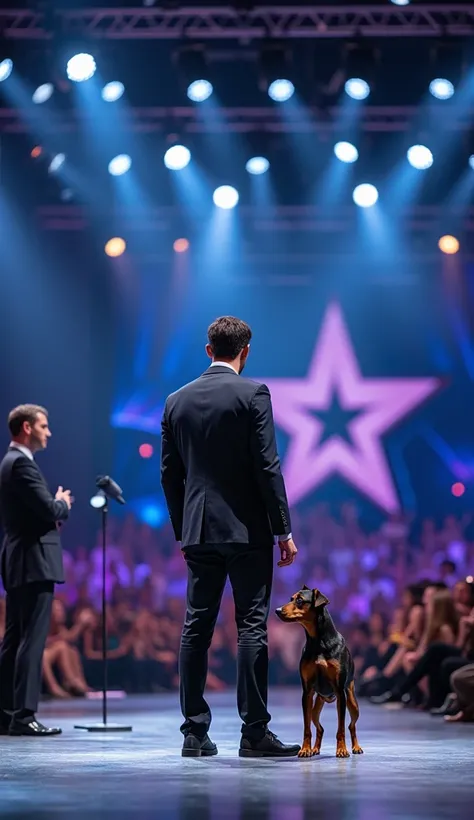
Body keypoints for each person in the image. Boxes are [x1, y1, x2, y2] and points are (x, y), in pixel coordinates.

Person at [161, 316, 300, 758]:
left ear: (208, 350)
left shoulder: (175, 401)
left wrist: (183, 530)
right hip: (246, 530)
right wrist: (284, 529)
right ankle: (254, 732)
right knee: (251, 626)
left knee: (195, 628)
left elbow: (170, 475)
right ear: (246, 351)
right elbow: (267, 465)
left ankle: (193, 732)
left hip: (198, 529)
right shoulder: (253, 393)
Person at [0, 404, 73, 735]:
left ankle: (6, 712)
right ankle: (24, 713)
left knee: (14, 638)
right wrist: (63, 504)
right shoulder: (22, 465)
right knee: (31, 639)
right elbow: (47, 509)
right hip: (33, 561)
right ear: (27, 428)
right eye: (44, 426)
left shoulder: (10, 463)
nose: (49, 432)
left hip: (19, 559)